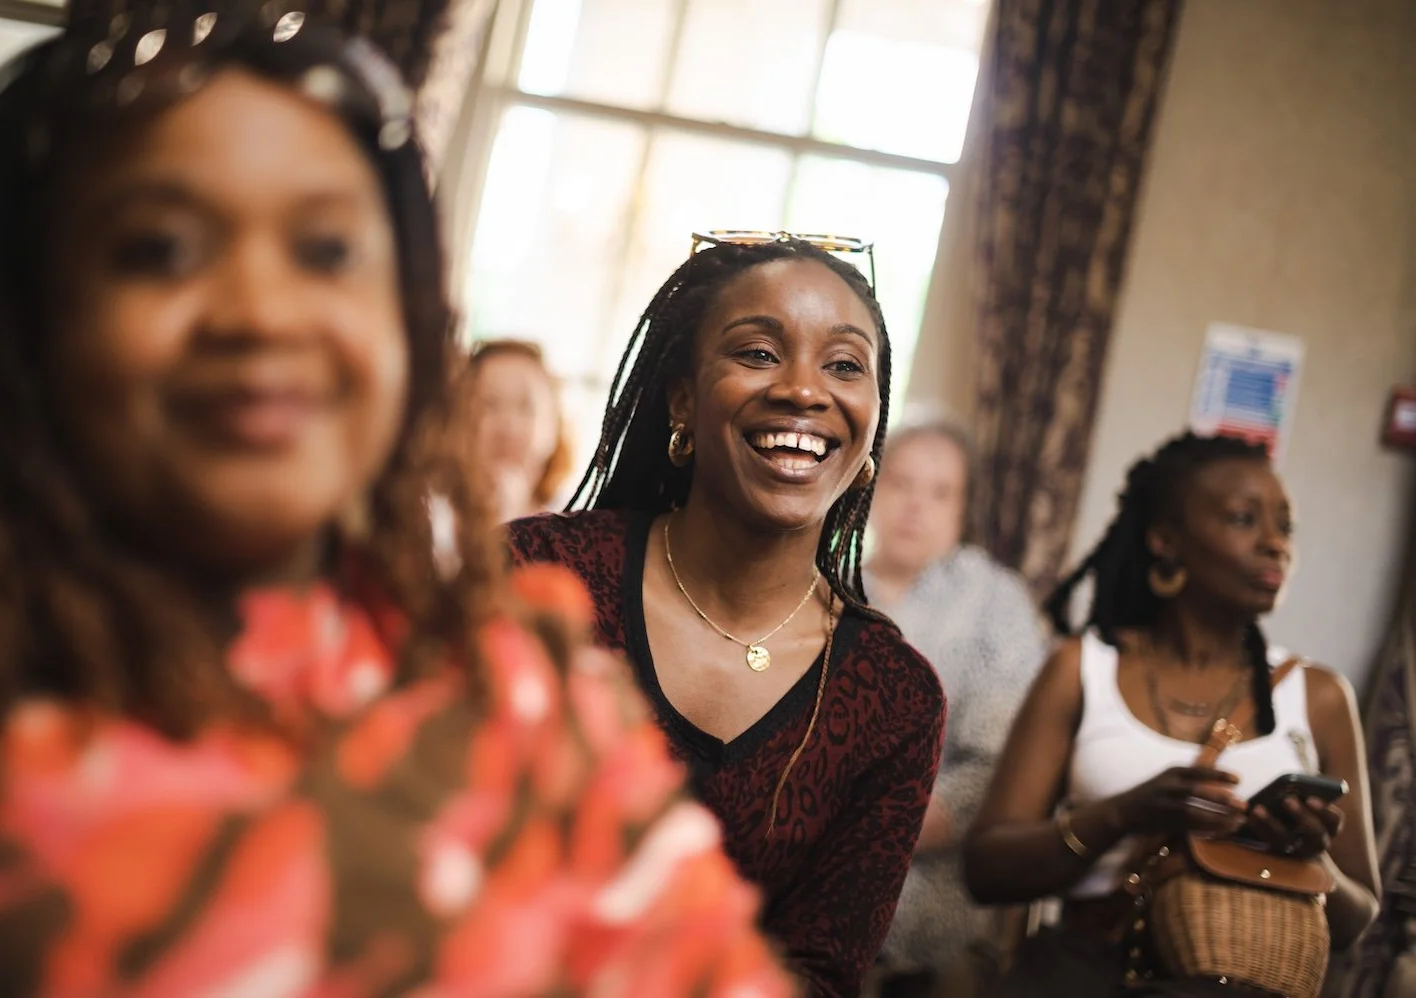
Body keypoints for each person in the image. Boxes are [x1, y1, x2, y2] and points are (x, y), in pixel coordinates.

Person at [0, 9, 793, 995]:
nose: (262, 309)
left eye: (328, 252)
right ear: (24, 316)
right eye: (160, 249)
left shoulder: (516, 686)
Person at [508, 232, 948, 998]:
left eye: (845, 365)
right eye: (757, 353)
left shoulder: (893, 699)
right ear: (682, 398)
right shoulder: (538, 579)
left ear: (872, 421)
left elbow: (819, 973)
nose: (805, 391)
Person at [963, 432, 1381, 996]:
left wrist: (1312, 862)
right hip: (1088, 971)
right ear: (1166, 540)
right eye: (1242, 519)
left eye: (1285, 526)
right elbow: (986, 870)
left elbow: (1357, 923)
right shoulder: (1082, 668)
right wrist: (1123, 813)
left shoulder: (1322, 696)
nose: (1275, 543)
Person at [863, 422, 1046, 994]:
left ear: (963, 509)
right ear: (869, 486)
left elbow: (999, 766)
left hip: (931, 917)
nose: (916, 505)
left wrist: (870, 834)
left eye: (940, 492)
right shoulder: (828, 582)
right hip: (807, 894)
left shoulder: (995, 601)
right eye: (901, 483)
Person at [460, 338, 571, 524]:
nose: (508, 424)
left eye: (525, 407)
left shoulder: (574, 527)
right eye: (489, 404)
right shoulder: (431, 517)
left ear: (555, 424)